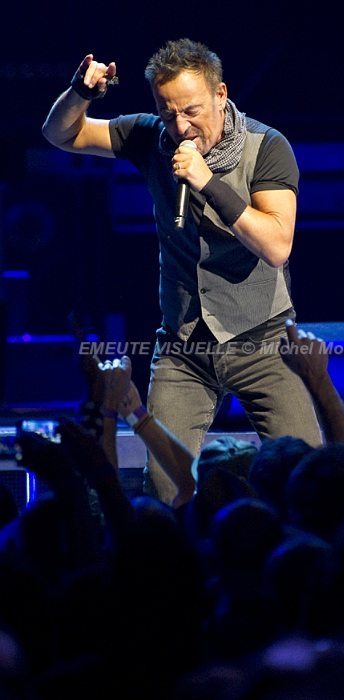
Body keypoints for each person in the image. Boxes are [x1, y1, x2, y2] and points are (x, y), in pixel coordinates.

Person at [41, 38, 322, 504]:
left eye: (191, 111)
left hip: (262, 338)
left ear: (220, 94)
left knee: (308, 476)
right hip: (183, 345)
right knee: (164, 485)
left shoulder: (266, 147)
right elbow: (60, 134)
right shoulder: (151, 137)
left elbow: (276, 246)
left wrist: (207, 181)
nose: (181, 126)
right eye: (168, 113)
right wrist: (80, 94)